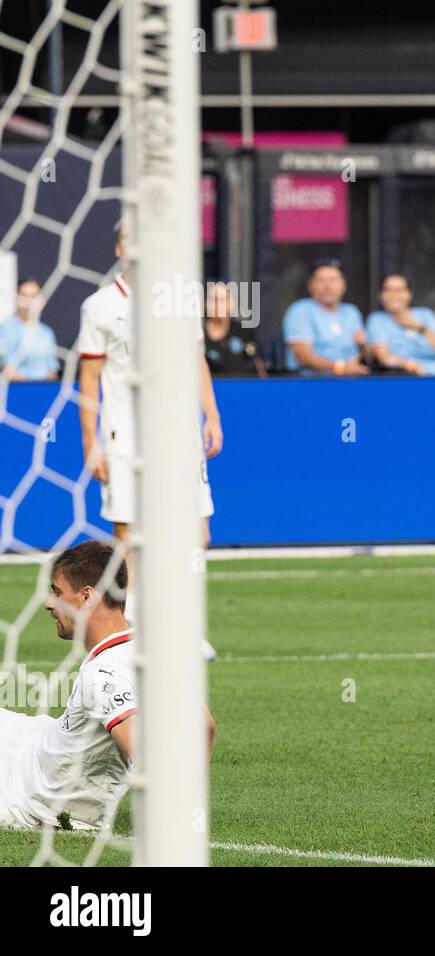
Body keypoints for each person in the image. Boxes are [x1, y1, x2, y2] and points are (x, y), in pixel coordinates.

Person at [78, 223, 223, 663]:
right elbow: (88, 378)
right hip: (126, 436)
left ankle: (183, 627)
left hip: (180, 433)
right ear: (120, 246)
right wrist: (91, 442)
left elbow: (195, 357)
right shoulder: (99, 306)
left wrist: (211, 413)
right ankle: (133, 629)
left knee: (197, 531)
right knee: (129, 534)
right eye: (129, 239)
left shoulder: (180, 297)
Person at [0, 541, 216, 830]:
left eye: (57, 592)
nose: (48, 604)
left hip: (22, 797)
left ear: (87, 596)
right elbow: (205, 726)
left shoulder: (102, 675)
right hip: (35, 744)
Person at [282, 259, 369, 375]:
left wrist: (363, 347)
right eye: (321, 280)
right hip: (311, 385)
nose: (328, 286)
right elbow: (302, 356)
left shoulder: (351, 312)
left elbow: (364, 354)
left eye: (333, 280)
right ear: (310, 285)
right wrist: (340, 368)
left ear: (343, 285)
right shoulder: (301, 310)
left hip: (349, 382)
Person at [366, 273, 435, 376]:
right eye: (388, 290)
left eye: (398, 290)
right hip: (402, 377)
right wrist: (409, 366)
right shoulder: (377, 319)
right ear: (380, 295)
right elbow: (384, 358)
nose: (393, 295)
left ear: (409, 294)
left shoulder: (425, 314)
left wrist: (420, 328)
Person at [0, 277, 60, 381]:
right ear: (16, 298)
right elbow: (4, 370)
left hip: (45, 390)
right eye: (24, 296)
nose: (29, 301)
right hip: (15, 390)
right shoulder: (4, 329)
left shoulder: (47, 332)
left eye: (33, 296)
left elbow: (52, 371)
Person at [204, 282, 267, 378]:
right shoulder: (196, 333)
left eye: (223, 299)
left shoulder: (243, 332)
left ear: (231, 302)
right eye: (214, 299)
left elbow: (258, 366)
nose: (219, 305)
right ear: (205, 303)